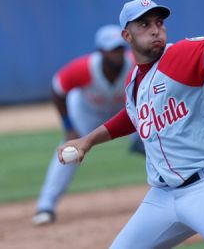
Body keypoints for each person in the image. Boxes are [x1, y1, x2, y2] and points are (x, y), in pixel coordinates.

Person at [58, 0, 204, 248]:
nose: (155, 29)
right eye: (144, 24)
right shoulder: (134, 80)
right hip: (164, 197)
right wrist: (87, 141)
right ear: (127, 35)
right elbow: (133, 117)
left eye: (159, 22)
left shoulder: (183, 54)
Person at [32, 25, 145, 226]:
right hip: (87, 112)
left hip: (123, 109)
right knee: (69, 151)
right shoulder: (83, 68)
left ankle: (178, 185)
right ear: (101, 51)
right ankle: (45, 207)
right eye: (112, 49)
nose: (117, 53)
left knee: (153, 139)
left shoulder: (135, 63)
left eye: (120, 47)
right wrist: (69, 127)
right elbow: (57, 89)